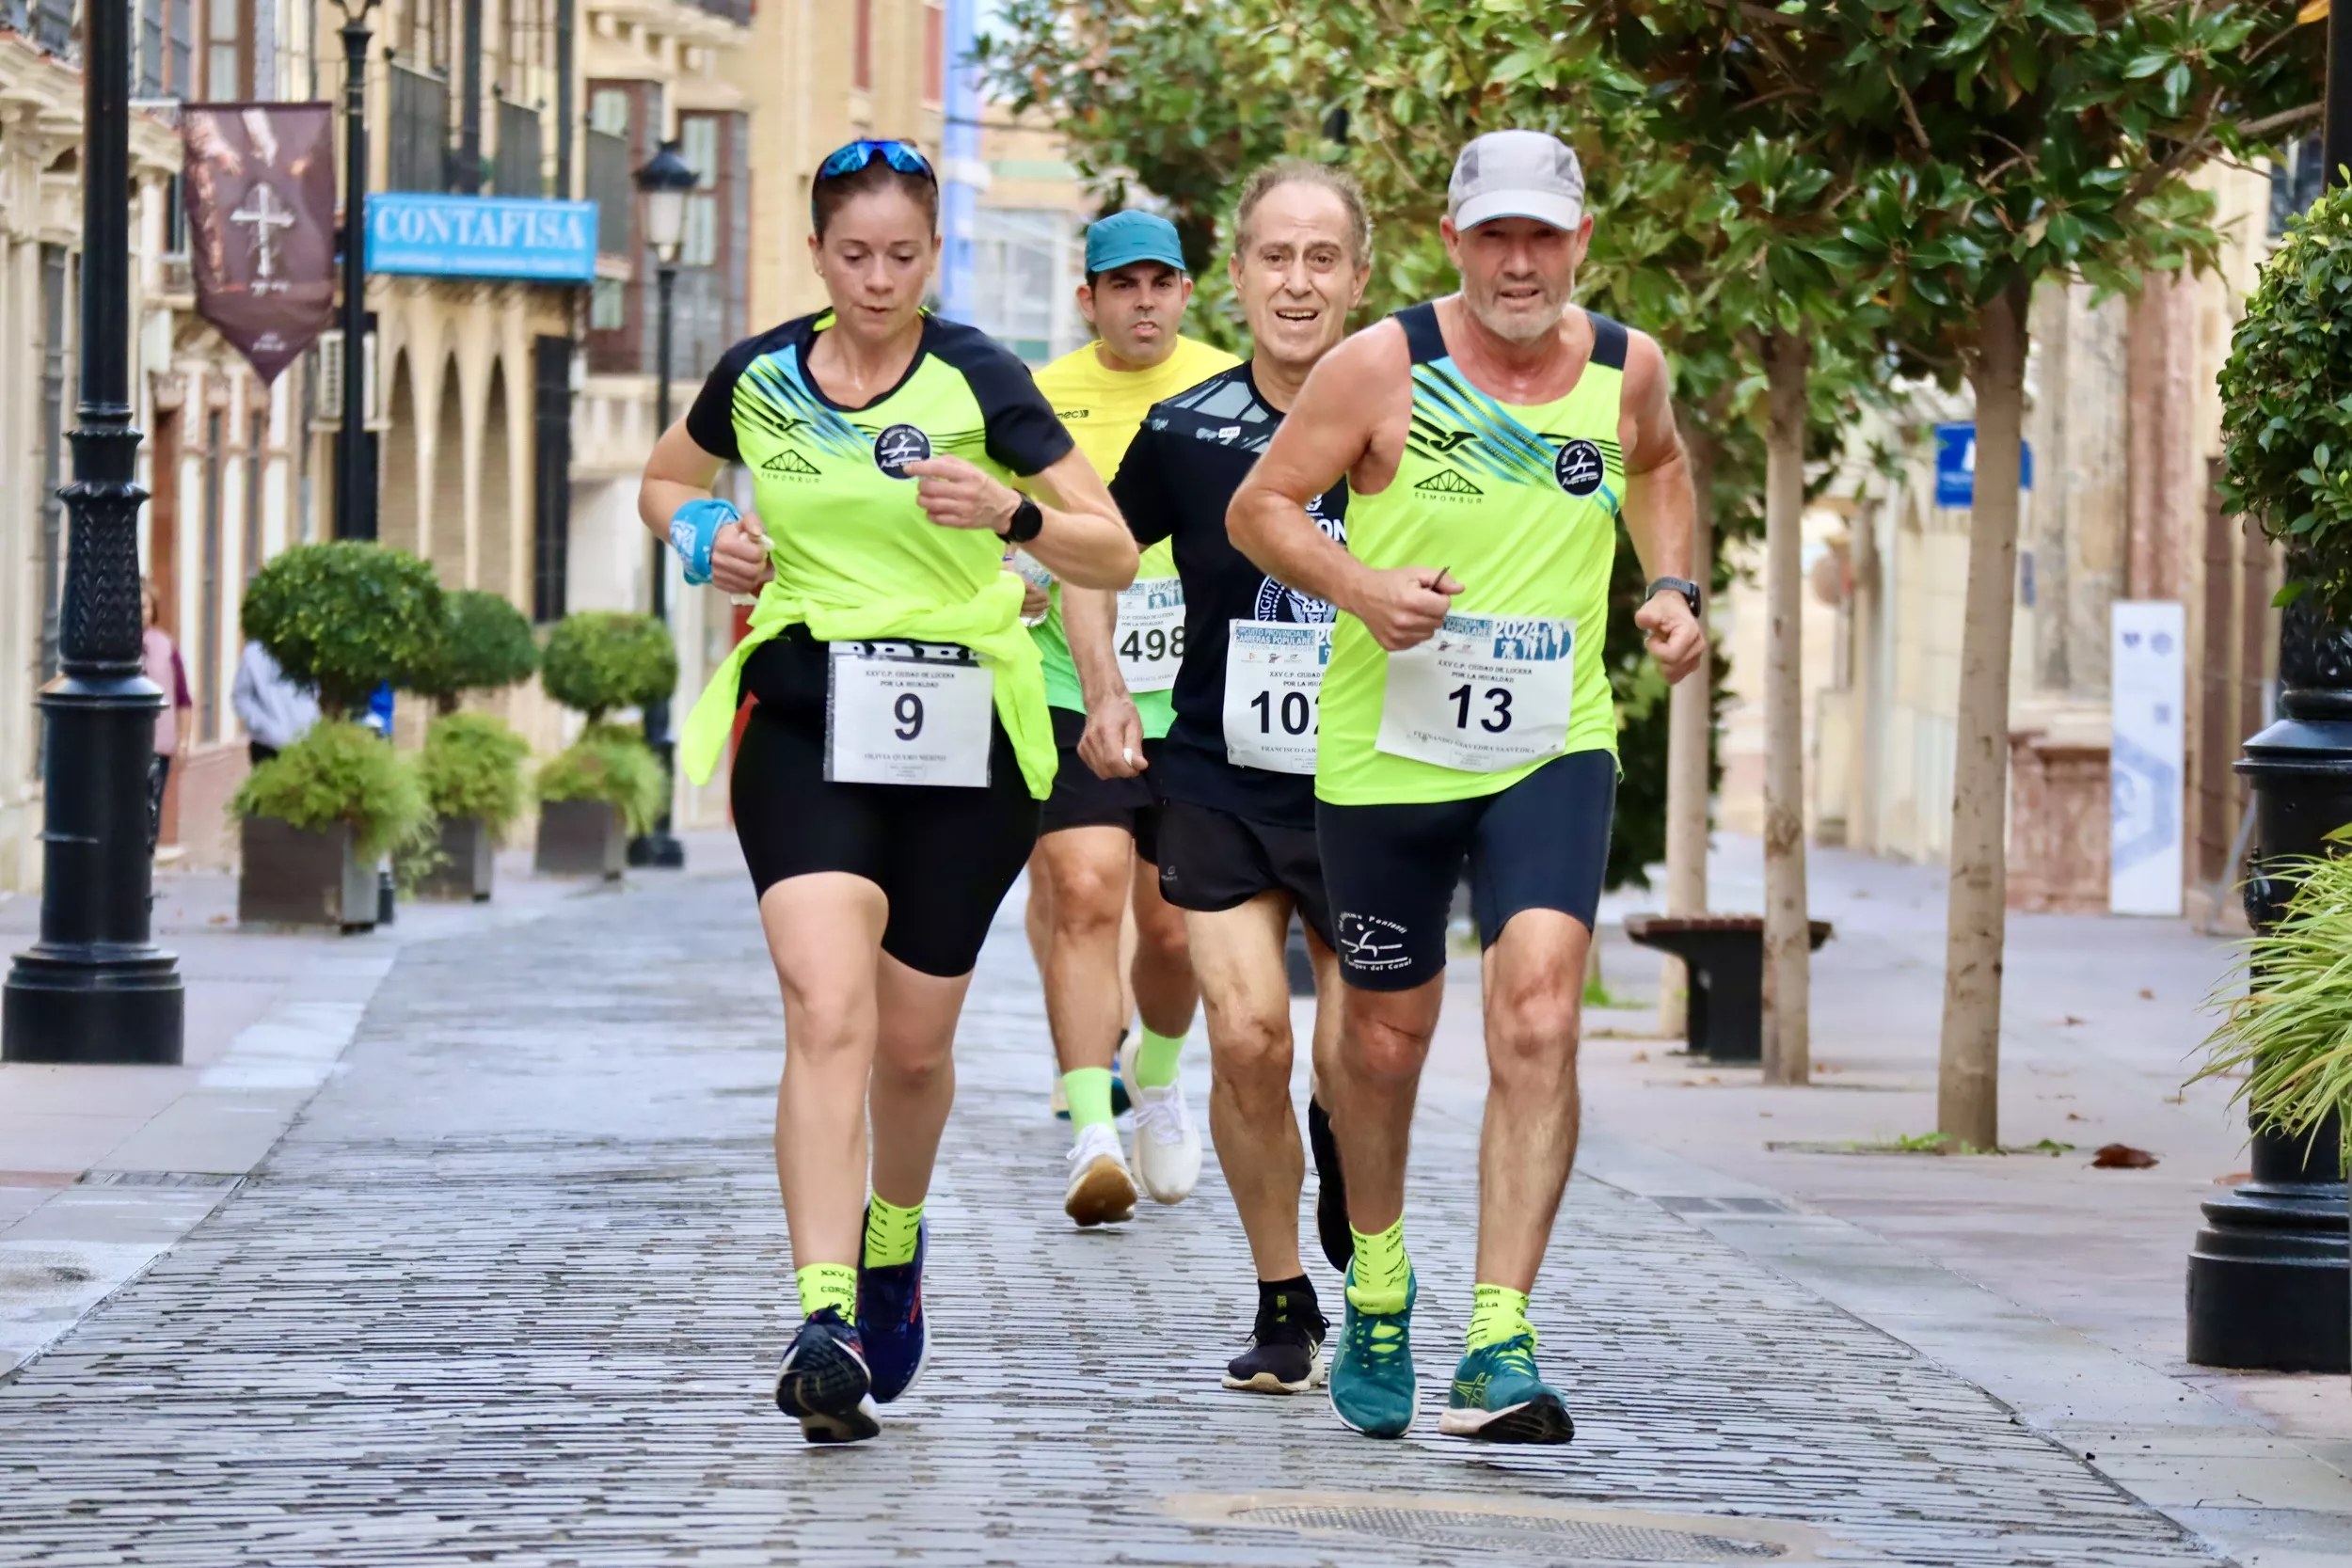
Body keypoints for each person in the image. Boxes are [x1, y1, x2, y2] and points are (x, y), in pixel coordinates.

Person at [637, 137, 1136, 1445]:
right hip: (804, 708)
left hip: (961, 734)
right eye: (853, 255)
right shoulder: (758, 374)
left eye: (903, 257)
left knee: (913, 1046)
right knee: (825, 1002)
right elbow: (665, 480)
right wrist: (704, 534)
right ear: (815, 253)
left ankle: (893, 1240)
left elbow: (1114, 546)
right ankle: (821, 1314)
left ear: (934, 256)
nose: (876, 279)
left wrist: (1013, 516)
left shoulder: (979, 376)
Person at [1229, 130, 1707, 1444]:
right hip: (1387, 752)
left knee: (1541, 1010)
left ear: (1579, 243)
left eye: (1541, 237)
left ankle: (1501, 1331)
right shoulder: (1380, 365)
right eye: (1493, 235)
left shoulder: (1626, 368)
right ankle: (1378, 1284)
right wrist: (1361, 586)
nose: (1518, 261)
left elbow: (1662, 467)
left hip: (1551, 740)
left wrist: (1671, 586)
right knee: (1383, 1040)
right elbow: (1261, 508)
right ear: (1454, 241)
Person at [1073, 162, 1370, 1394]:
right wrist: (1103, 688)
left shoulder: (1414, 419)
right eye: (1274, 257)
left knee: (1355, 1064)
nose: (1296, 282)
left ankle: (1347, 1148)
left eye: (1321, 258)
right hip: (1218, 777)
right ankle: (1283, 1298)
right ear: (1238, 275)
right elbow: (1093, 551)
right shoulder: (1188, 427)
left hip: (1372, 780)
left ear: (1359, 277)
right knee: (1248, 1037)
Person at [1025, 211, 1237, 1226]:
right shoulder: (1040, 396)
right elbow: (992, 519)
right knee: (1080, 887)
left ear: (1187, 291)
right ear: (1089, 299)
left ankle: (1156, 1080)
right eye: (1122, 284)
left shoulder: (1230, 384)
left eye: (1160, 282)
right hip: (1068, 676)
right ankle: (1089, 1125)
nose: (1142, 300)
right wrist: (1013, 574)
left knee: (1170, 927)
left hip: (1198, 698)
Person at [140, 580, 194, 857]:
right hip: (123, 743)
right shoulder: (115, 647)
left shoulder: (166, 647)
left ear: (154, 610)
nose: (140, 613)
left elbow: (183, 699)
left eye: (145, 607)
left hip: (158, 745)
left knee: (151, 808)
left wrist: (183, 742)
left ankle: (144, 869)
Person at [231, 638, 319, 767]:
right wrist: (263, 725)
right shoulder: (254, 652)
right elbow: (241, 697)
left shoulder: (311, 648)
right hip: (268, 747)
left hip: (308, 745)